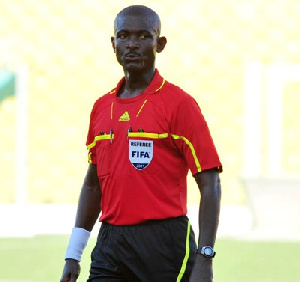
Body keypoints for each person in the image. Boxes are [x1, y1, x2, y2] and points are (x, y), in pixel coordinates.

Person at [60, 5, 222, 282]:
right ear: (114, 44)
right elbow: (92, 184)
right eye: (123, 35)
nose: (132, 44)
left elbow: (210, 183)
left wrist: (205, 258)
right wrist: (73, 254)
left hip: (164, 242)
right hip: (110, 242)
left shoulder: (179, 104)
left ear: (160, 44)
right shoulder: (101, 107)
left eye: (144, 36)